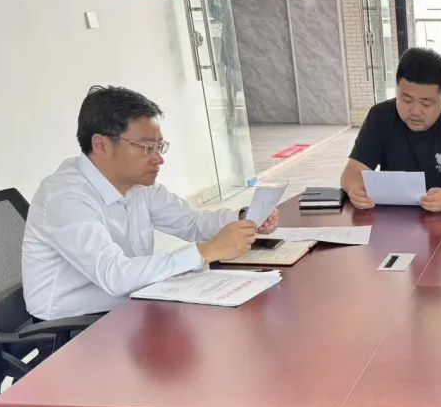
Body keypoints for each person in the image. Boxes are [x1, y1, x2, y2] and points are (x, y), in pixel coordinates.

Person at [23, 86, 278, 321]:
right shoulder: (65, 197)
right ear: (101, 145)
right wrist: (205, 252)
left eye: (159, 147)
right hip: (76, 327)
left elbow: (192, 223)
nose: (158, 159)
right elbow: (114, 274)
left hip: (132, 303)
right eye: (146, 147)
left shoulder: (138, 185)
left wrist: (243, 220)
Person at [341, 47, 441, 213]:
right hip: (394, 217)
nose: (415, 111)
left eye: (426, 103)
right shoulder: (380, 117)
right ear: (397, 90)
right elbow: (353, 171)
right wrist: (356, 189)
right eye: (407, 100)